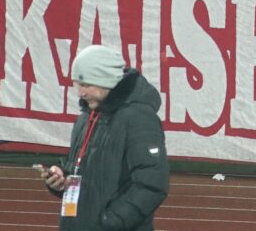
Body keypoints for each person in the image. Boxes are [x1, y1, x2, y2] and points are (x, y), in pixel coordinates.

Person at [40, 45, 169, 231]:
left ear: (106, 80)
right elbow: (82, 171)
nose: (80, 93)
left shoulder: (138, 119)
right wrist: (62, 179)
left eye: (86, 85)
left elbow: (151, 185)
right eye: (77, 84)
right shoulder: (86, 118)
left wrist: (109, 222)